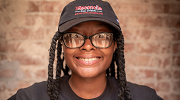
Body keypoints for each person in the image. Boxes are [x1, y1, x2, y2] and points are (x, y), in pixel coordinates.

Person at [8, 0, 163, 100]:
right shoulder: (30, 97)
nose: (87, 46)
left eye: (101, 36)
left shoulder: (145, 97)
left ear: (115, 44)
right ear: (62, 44)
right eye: (75, 36)